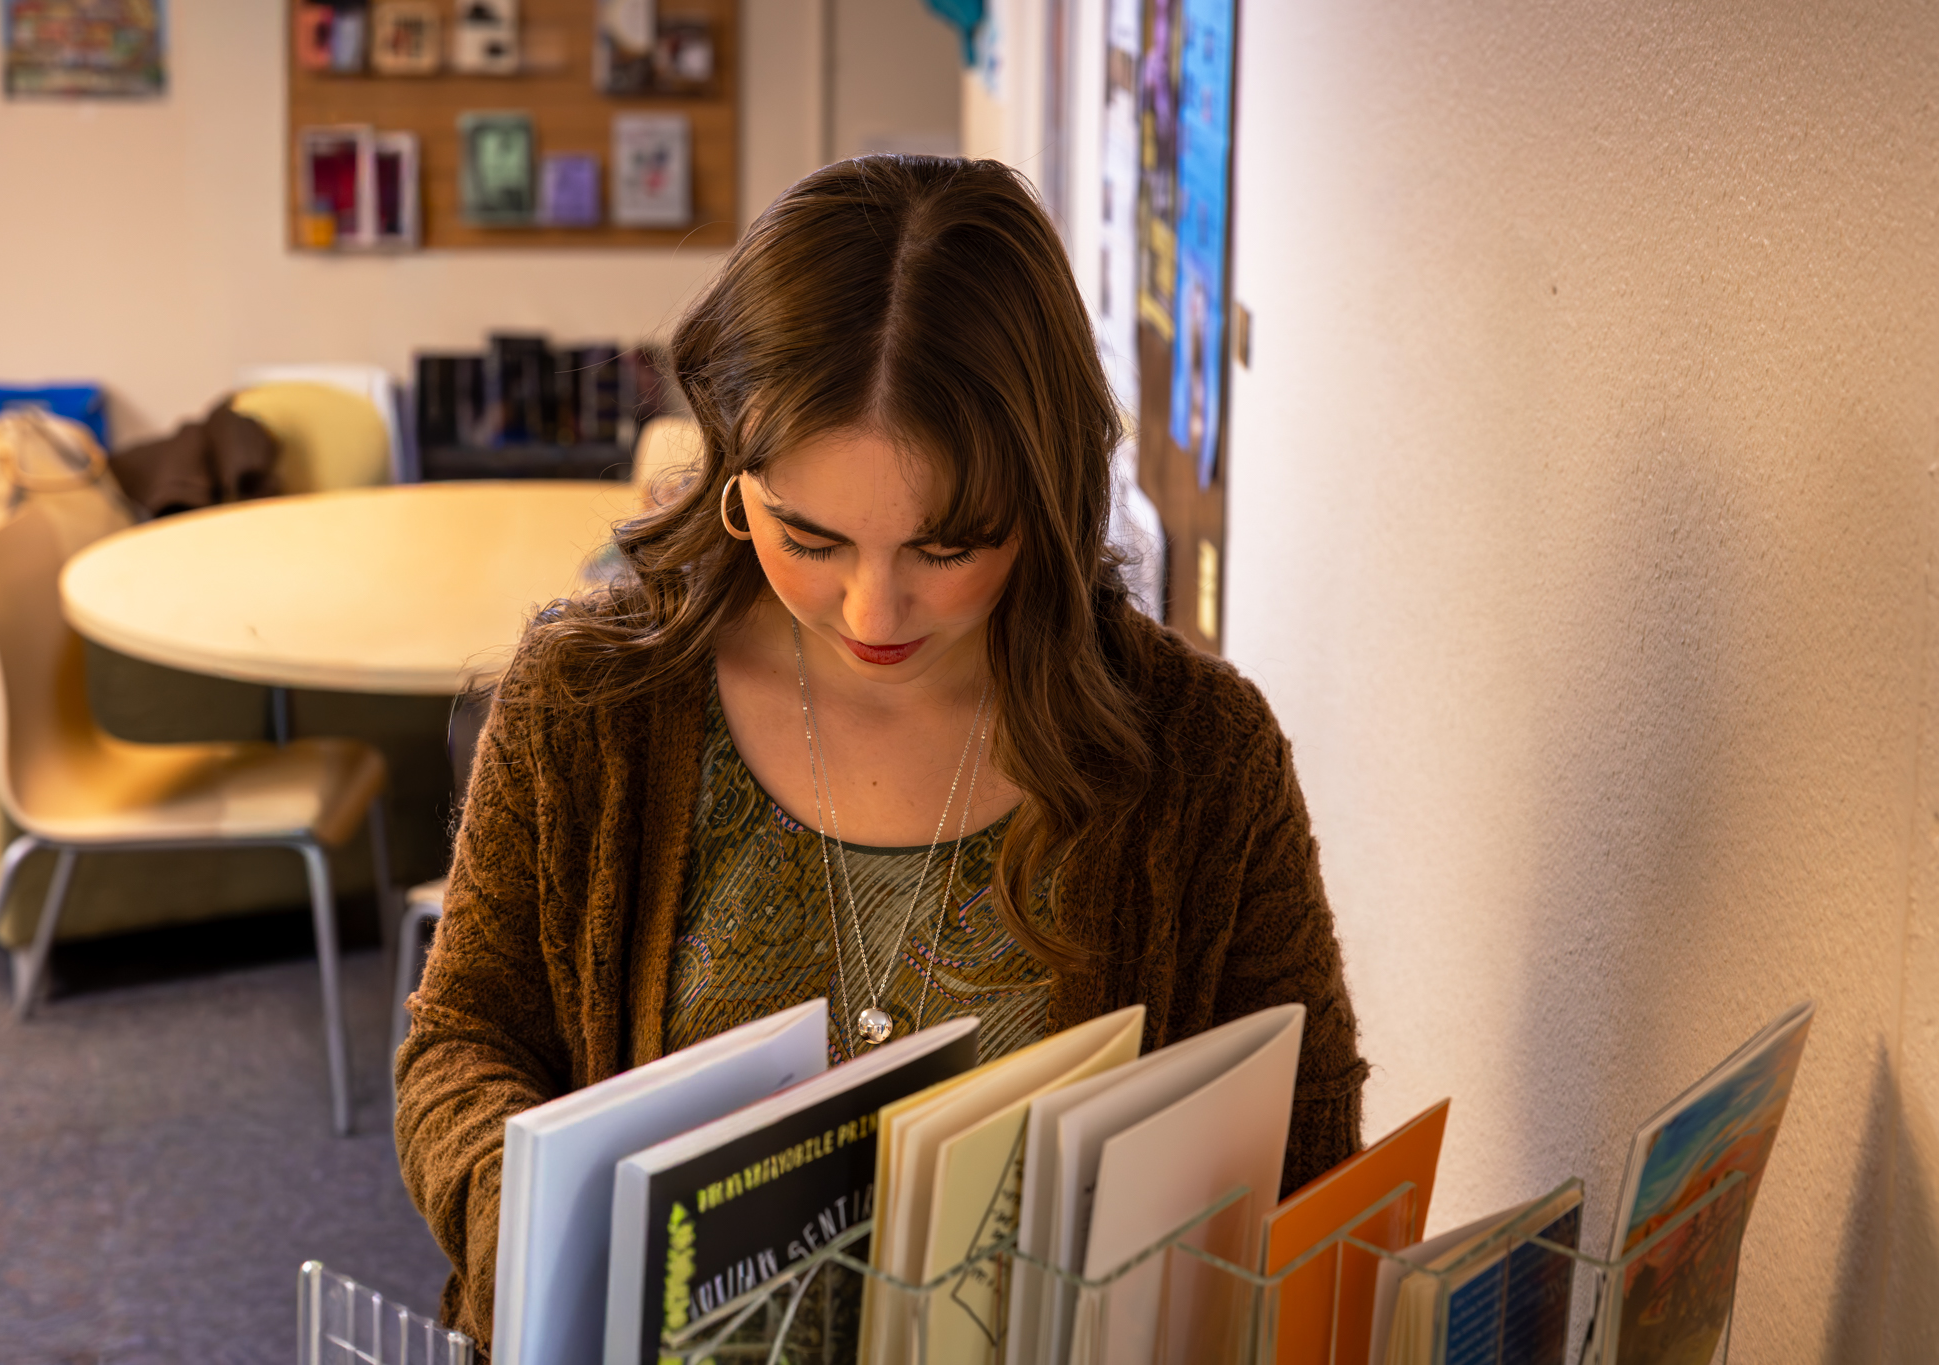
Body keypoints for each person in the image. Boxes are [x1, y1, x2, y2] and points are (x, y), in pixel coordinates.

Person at [394, 155, 1366, 1346]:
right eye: (809, 537)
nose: (871, 613)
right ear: (731, 472)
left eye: (948, 548)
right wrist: (540, 1234)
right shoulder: (595, 700)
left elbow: (1306, 1156)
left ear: (1048, 493)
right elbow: (461, 1045)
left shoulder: (1200, 755)